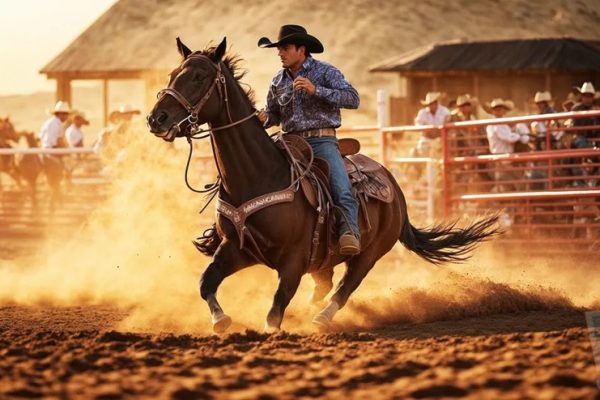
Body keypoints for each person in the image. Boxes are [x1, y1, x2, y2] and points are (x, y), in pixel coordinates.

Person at [257, 24, 361, 255]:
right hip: (288, 142)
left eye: (285, 48)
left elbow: (353, 99)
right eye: (278, 49)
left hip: (321, 142)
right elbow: (273, 114)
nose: (280, 53)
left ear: (301, 49)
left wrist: (317, 90)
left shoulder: (325, 72)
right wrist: (264, 118)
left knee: (340, 187)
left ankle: (349, 232)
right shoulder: (277, 81)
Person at [485, 98, 530, 191]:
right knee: (514, 180)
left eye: (501, 108)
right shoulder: (496, 124)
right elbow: (509, 138)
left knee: (507, 181)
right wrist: (520, 136)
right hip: (502, 158)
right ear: (493, 111)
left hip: (505, 157)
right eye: (497, 109)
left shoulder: (500, 124)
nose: (499, 111)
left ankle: (509, 201)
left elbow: (509, 136)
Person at [414, 91, 450, 157]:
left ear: (437, 103)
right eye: (430, 104)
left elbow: (448, 123)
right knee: (422, 147)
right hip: (426, 138)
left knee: (440, 149)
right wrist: (425, 129)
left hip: (440, 138)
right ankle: (426, 165)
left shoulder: (445, 111)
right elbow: (417, 124)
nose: (431, 105)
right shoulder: (422, 112)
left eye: (433, 103)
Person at [570, 82, 598, 149]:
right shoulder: (576, 108)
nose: (587, 98)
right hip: (580, 136)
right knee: (580, 141)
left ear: (592, 97)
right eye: (585, 96)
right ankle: (594, 154)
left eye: (590, 96)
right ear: (582, 96)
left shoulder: (596, 109)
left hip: (594, 136)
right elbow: (575, 125)